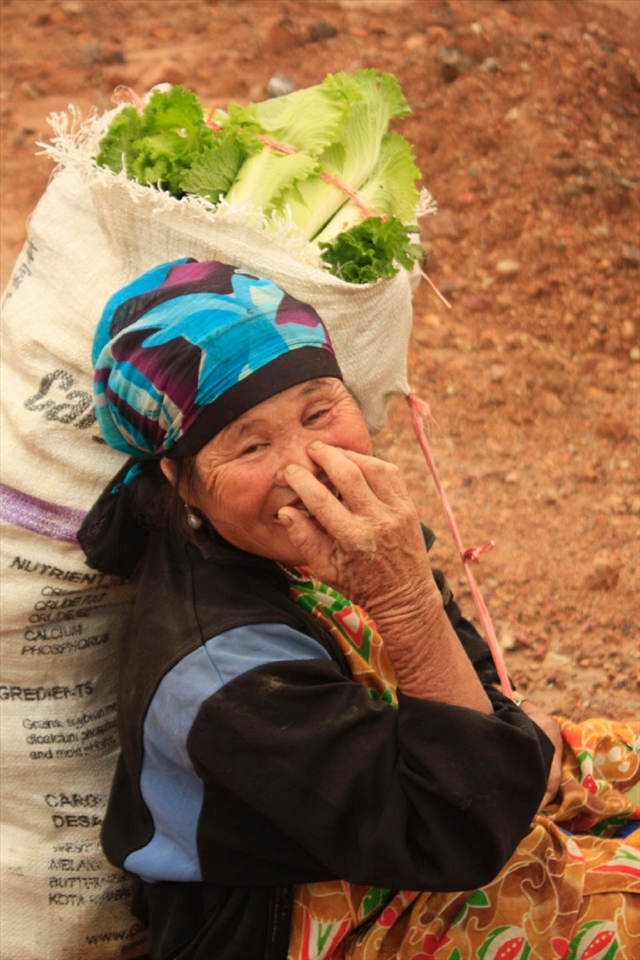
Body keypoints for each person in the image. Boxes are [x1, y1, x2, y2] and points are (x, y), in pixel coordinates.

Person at [79, 258, 639, 960]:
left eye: (320, 412)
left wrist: (515, 752)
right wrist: (402, 600)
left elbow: (483, 695)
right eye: (250, 444)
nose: (305, 465)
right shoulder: (220, 672)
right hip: (318, 917)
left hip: (448, 799)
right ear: (179, 481)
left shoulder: (363, 534)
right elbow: (463, 830)